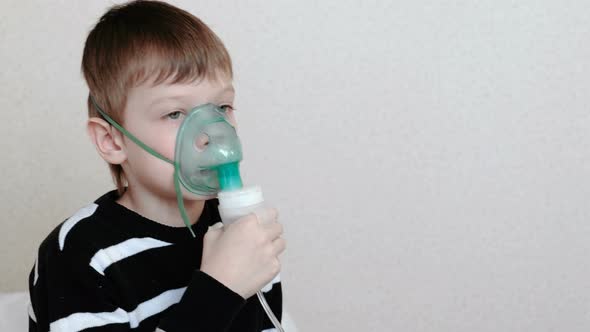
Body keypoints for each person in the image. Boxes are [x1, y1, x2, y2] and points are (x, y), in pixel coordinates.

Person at [28, 1, 286, 331]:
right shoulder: (81, 257)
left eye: (222, 106)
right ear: (113, 141)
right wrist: (220, 288)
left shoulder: (235, 231)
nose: (211, 132)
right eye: (175, 114)